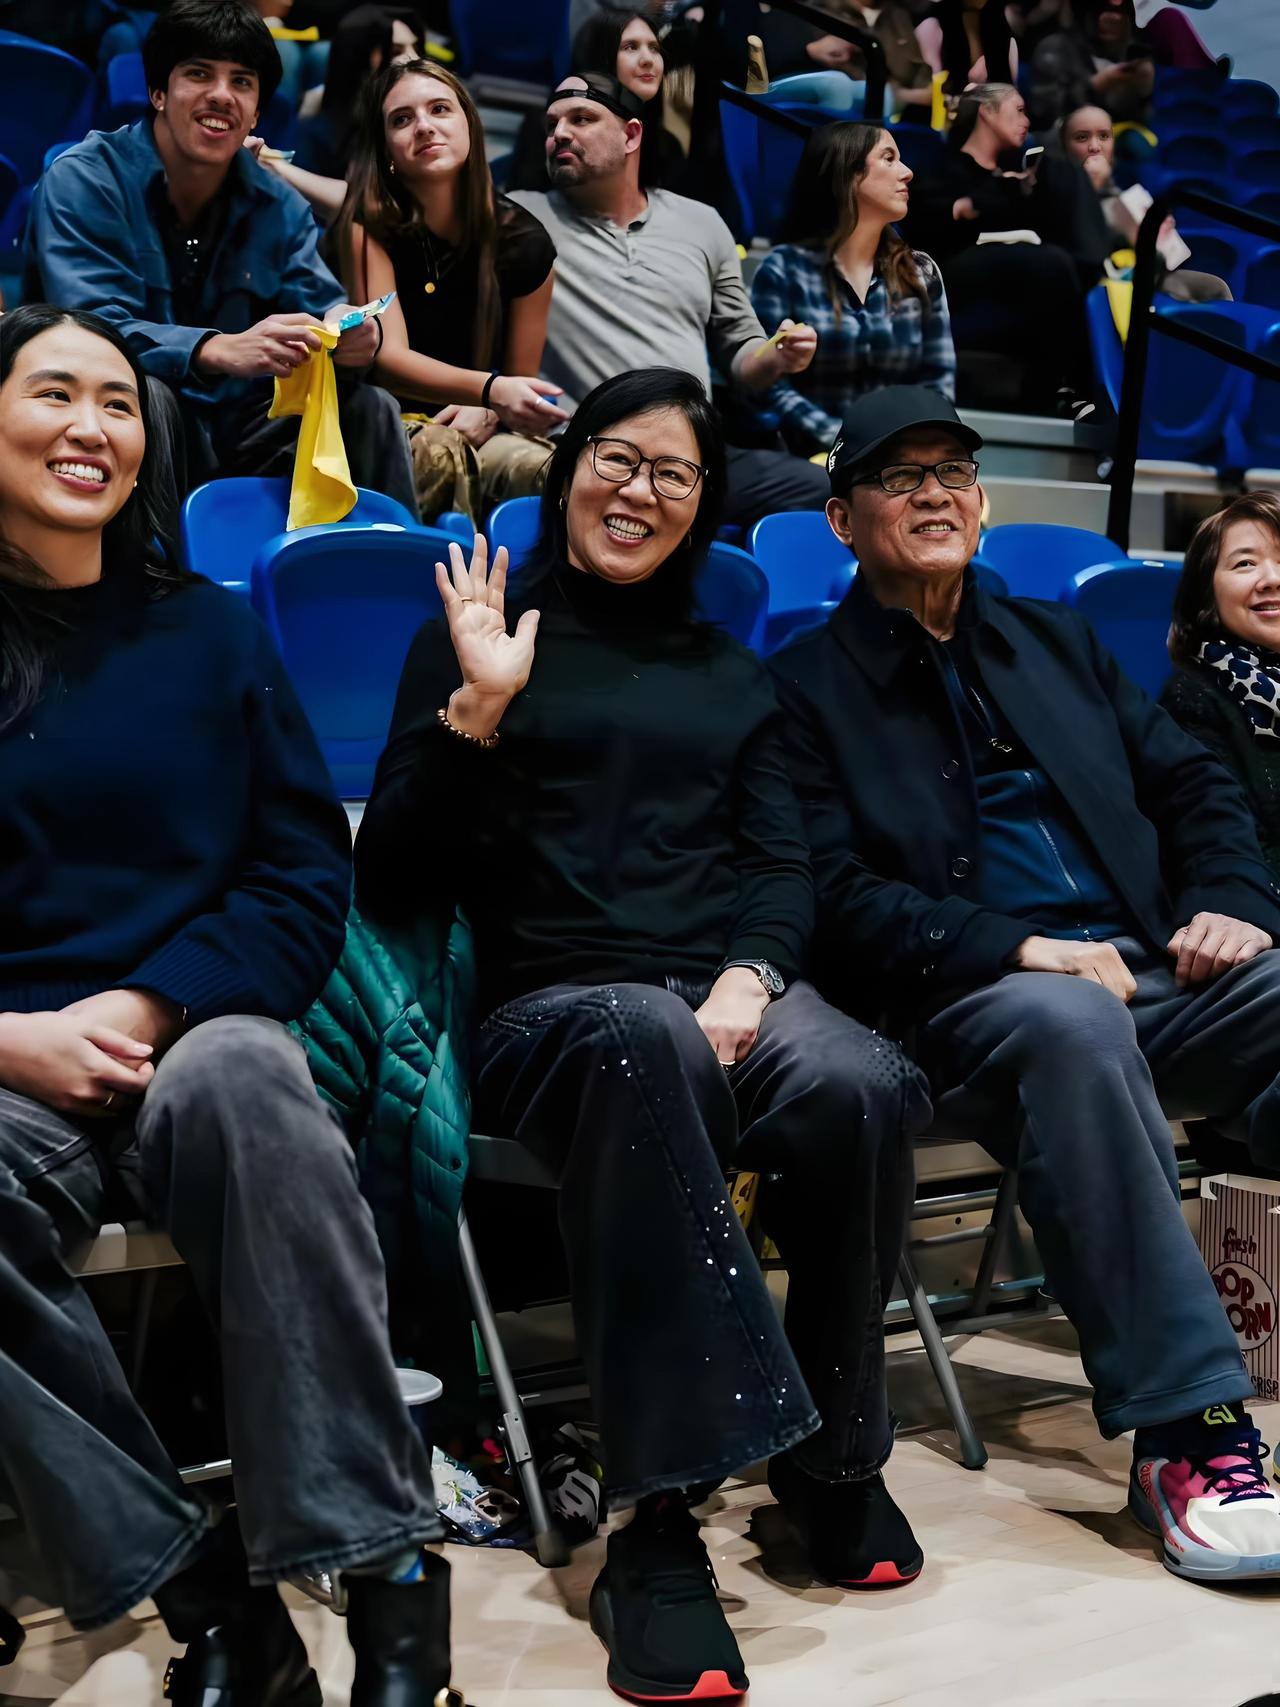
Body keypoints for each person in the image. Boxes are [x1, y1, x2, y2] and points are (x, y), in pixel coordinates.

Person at [355, 367, 933, 1702]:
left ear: (703, 504)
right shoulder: (480, 637)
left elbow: (779, 865)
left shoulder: (732, 671)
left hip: (717, 997)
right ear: (568, 473)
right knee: (639, 1034)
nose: (639, 490)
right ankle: (656, 1523)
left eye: (673, 473)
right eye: (616, 458)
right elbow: (390, 872)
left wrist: (749, 975)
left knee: (857, 1076)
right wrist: (477, 708)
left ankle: (831, 1460)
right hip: (550, 1013)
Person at [0, 305, 465, 1703]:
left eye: (117, 403)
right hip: (10, 1060)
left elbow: (299, 873)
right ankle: (207, 1597)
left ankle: (387, 1581)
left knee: (261, 1086)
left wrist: (151, 1004)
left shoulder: (208, 629)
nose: (92, 427)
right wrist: (14, 1039)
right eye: (54, 393)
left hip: (193, 1035)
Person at [772, 383, 1280, 1586]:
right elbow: (828, 892)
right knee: (1070, 1023)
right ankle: (1189, 1435)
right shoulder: (801, 684)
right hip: (962, 1001)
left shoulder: (1055, 641)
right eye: (900, 477)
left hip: (1147, 974)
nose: (933, 493)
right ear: (841, 519)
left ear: (982, 501)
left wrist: (1233, 900)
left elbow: (1192, 786)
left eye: (952, 471)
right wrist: (1012, 946)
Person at [25, 0, 418, 515]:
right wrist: (215, 349)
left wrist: (347, 333)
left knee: (370, 409)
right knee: (150, 399)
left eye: (242, 82)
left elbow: (322, 305)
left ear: (256, 113)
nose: (221, 95)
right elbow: (92, 330)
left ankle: (392, 558)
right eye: (199, 74)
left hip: (238, 423)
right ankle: (160, 566)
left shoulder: (279, 206)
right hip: (103, 411)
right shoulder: (85, 179)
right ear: (158, 92)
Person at [508, 73, 830, 529]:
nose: (559, 133)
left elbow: (741, 347)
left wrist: (775, 356)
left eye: (581, 119)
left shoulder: (702, 222)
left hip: (691, 451)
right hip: (590, 449)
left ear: (631, 135)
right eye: (551, 125)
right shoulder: (521, 217)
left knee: (824, 490)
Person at [331, 60, 566, 525]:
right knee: (440, 451)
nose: (423, 126)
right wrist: (489, 391)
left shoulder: (525, 242)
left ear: (469, 126)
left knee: (553, 471)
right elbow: (389, 361)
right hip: (390, 422)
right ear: (387, 149)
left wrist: (492, 410)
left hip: (481, 418)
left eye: (439, 109)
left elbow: (520, 381)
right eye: (402, 119)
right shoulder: (369, 225)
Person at [751, 122, 954, 457]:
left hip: (898, 457)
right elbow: (767, 386)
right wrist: (848, 443)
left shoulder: (921, 271)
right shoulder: (784, 270)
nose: (907, 172)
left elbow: (938, 382)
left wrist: (904, 445)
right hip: (807, 458)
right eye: (889, 159)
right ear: (848, 174)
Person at [904, 82, 1098, 412]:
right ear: (987, 113)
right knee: (1053, 264)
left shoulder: (1019, 175)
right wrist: (984, 198)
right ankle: (1054, 391)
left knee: (1065, 176)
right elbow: (930, 222)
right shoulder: (946, 165)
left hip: (1025, 270)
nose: (1027, 121)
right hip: (952, 266)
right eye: (1018, 111)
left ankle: (1093, 271)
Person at [1162, 495, 1280, 881]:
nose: (1272, 579)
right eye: (1245, 563)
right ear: (1207, 596)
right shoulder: (1192, 702)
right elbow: (1233, 852)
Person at [249, 3, 425, 219]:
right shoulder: (321, 133)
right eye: (396, 51)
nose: (414, 59)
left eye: (415, 47)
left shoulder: (431, 115)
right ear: (360, 57)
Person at [1059, 102, 1231, 302]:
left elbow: (1162, 258)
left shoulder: (1119, 192)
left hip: (1143, 273)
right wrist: (1090, 186)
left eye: (1104, 136)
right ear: (1064, 148)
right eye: (1082, 138)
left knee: (1215, 287)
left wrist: (1158, 233)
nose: (1095, 147)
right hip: (1098, 284)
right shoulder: (1055, 188)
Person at [507, 8, 686, 193]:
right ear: (600, 56)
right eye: (630, 47)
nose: (648, 59)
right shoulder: (547, 127)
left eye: (654, 48)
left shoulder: (667, 144)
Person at [1029, 0, 1155, 126]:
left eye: (1121, 11)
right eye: (1103, 9)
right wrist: (1094, 87)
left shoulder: (1139, 56)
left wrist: (1143, 94)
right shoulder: (1056, 49)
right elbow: (1044, 114)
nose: (1112, 17)